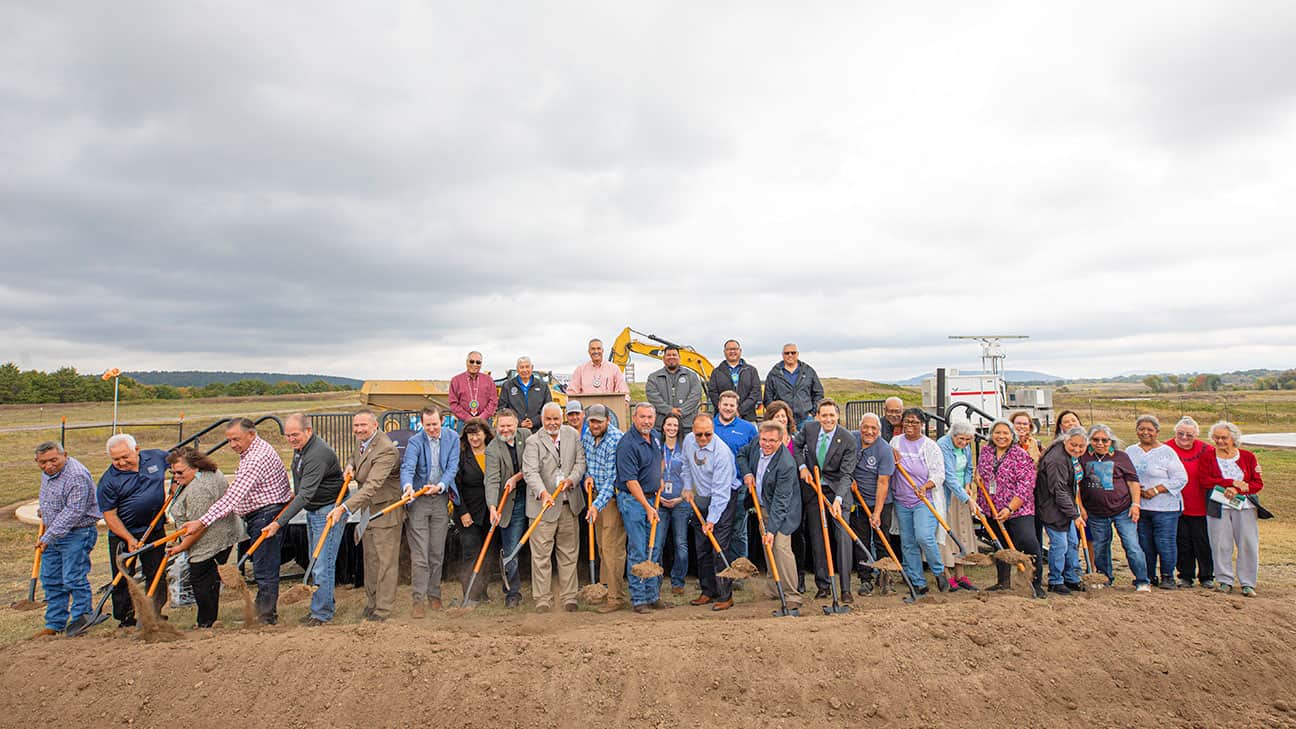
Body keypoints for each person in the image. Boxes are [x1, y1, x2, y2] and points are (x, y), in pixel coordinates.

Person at [179, 418, 293, 624]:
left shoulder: (256, 458)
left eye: (236, 439)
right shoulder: (251, 451)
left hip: (266, 514)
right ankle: (263, 613)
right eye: (229, 440)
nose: (232, 445)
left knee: (264, 567)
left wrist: (200, 522)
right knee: (261, 566)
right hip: (262, 512)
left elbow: (231, 499)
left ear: (251, 434)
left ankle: (266, 617)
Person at [260, 413, 346, 625]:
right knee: (316, 560)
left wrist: (279, 522)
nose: (291, 439)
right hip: (313, 510)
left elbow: (306, 493)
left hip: (328, 511)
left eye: (295, 434)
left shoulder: (317, 453)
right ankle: (323, 606)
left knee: (321, 564)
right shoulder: (301, 450)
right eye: (287, 435)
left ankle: (322, 614)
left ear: (309, 430)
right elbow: (301, 486)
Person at [327, 410, 402, 621]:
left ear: (375, 425)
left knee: (385, 562)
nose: (359, 429)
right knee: (370, 560)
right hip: (368, 511)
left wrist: (343, 508)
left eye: (363, 425)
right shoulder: (364, 442)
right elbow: (357, 455)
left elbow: (371, 486)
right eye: (356, 425)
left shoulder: (386, 450)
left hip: (385, 512)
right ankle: (372, 603)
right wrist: (351, 463)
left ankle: (383, 609)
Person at [165, 447, 244, 629]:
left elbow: (199, 528)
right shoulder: (210, 472)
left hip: (212, 538)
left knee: (200, 579)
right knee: (208, 580)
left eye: (180, 472)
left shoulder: (198, 491)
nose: (175, 476)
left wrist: (181, 547)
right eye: (172, 472)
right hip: (224, 532)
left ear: (196, 467)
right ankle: (209, 620)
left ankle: (206, 623)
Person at [97, 433, 169, 627]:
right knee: (122, 577)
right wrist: (128, 538)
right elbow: (110, 516)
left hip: (154, 528)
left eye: (125, 457)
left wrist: (180, 476)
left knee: (156, 572)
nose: (121, 462)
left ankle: (154, 613)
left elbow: (179, 462)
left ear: (137, 450)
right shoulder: (108, 481)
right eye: (115, 459)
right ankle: (125, 618)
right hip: (123, 534)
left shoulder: (156, 457)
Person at [522, 401, 587, 612]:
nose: (552, 423)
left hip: (569, 504)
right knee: (541, 556)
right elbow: (530, 472)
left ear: (562, 418)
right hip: (543, 507)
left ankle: (569, 597)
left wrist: (572, 479)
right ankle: (542, 599)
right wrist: (542, 492)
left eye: (556, 419)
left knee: (568, 553)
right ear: (542, 420)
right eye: (548, 419)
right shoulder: (533, 442)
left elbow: (580, 463)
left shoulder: (572, 435)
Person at [793, 398, 859, 599]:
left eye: (832, 415)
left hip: (838, 491)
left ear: (838, 416)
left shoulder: (847, 439)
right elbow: (795, 446)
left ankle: (846, 589)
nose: (828, 419)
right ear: (818, 416)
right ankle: (823, 586)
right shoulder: (810, 429)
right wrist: (802, 467)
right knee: (817, 538)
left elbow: (847, 475)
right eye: (824, 415)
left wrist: (839, 499)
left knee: (842, 538)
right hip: (814, 490)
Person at [32, 441, 100, 637]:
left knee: (73, 578)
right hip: (53, 532)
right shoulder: (48, 473)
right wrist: (44, 511)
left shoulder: (76, 475)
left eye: (54, 460)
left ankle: (81, 620)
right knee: (51, 579)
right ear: (37, 461)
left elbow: (74, 511)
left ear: (65, 455)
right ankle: (54, 623)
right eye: (43, 462)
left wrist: (48, 536)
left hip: (77, 533)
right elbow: (52, 497)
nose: (49, 466)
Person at [400, 406, 460, 615]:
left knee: (436, 552)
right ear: (422, 424)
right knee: (420, 555)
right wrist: (407, 486)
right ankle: (418, 600)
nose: (432, 429)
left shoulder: (453, 438)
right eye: (428, 425)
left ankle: (434, 596)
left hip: (441, 499)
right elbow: (407, 467)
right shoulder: (416, 441)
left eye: (435, 424)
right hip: (419, 501)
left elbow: (452, 468)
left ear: (441, 421)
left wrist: (441, 486)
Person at [1078, 424, 1150, 592]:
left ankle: (1142, 580)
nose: (1100, 443)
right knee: (1100, 546)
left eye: (1104, 440)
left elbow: (1133, 481)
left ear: (1111, 441)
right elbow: (1077, 485)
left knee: (1132, 545)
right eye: (1096, 440)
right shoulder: (1083, 458)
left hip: (1123, 510)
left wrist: (1136, 504)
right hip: (1095, 512)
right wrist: (1081, 507)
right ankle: (1105, 578)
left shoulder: (1121, 457)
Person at [976, 419, 1044, 597]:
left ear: (1012, 435)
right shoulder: (986, 451)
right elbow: (982, 475)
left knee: (1027, 542)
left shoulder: (1020, 454)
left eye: (1005, 433)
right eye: (997, 433)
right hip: (993, 510)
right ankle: (1003, 582)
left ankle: (1034, 582)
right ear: (991, 435)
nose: (1001, 436)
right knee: (1000, 545)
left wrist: (1010, 508)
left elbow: (1026, 485)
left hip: (1018, 510)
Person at [680, 413, 737, 611]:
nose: (703, 438)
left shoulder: (721, 453)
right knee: (702, 546)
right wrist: (687, 486)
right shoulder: (688, 441)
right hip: (701, 498)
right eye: (699, 435)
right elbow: (685, 465)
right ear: (692, 432)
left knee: (718, 546)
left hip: (724, 499)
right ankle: (708, 591)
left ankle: (725, 595)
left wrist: (711, 520)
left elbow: (721, 492)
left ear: (713, 431)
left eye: (707, 434)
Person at [616, 402, 668, 613]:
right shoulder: (627, 444)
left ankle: (653, 595)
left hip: (652, 499)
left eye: (650, 417)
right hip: (634, 502)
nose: (647, 421)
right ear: (634, 418)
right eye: (642, 417)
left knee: (653, 549)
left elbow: (660, 459)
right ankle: (639, 599)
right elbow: (630, 481)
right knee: (638, 550)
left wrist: (659, 478)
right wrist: (647, 507)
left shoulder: (655, 436)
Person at [744, 420, 802, 609]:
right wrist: (747, 473)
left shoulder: (786, 464)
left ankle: (792, 594)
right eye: (764, 439)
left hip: (784, 511)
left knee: (780, 547)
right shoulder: (755, 444)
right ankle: (773, 589)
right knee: (767, 547)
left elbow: (781, 502)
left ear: (781, 441)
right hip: (763, 506)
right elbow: (741, 455)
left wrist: (771, 530)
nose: (766, 444)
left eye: (771, 441)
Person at [888, 409, 947, 595]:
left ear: (922, 424)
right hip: (901, 500)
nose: (910, 425)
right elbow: (889, 465)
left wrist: (926, 486)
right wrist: (892, 458)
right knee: (908, 542)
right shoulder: (895, 442)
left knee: (924, 537)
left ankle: (939, 571)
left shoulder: (930, 446)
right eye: (907, 421)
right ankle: (917, 581)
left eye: (914, 422)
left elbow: (939, 475)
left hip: (923, 499)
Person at [1126, 415, 1188, 589]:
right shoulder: (1131, 451)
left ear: (1157, 432)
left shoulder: (1167, 452)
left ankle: (1168, 576)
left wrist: (1156, 489)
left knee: (1164, 542)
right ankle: (1148, 574)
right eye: (1141, 429)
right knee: (1144, 543)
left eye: (1150, 430)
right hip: (1141, 506)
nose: (1145, 433)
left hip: (1165, 507)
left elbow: (1180, 478)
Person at [1207, 421, 1266, 597]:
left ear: (1233, 438)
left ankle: (1248, 583)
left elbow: (1257, 483)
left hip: (1245, 506)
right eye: (1216, 437)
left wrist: (1238, 489)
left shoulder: (1248, 457)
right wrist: (1230, 484)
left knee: (1248, 543)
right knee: (1220, 544)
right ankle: (1224, 580)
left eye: (1223, 437)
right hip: (1218, 506)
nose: (1219, 441)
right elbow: (1205, 480)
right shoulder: (1209, 457)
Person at [581, 404, 628, 612]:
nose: (595, 424)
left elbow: (612, 479)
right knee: (601, 546)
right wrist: (586, 477)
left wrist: (596, 505)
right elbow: (587, 465)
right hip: (596, 497)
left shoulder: (615, 440)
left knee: (612, 548)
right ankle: (604, 590)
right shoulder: (587, 438)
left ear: (608, 420)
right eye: (592, 421)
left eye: (599, 421)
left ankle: (616, 597)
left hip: (611, 499)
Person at [1166, 416, 1222, 588]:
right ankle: (1185, 575)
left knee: (1203, 542)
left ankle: (1206, 576)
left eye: (1189, 435)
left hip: (1201, 504)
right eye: (1180, 433)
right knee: (1182, 542)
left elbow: (1225, 465)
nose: (1184, 438)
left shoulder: (1207, 450)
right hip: (1176, 504)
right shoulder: (1166, 448)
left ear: (1196, 435)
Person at [485, 408, 530, 608]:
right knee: (511, 549)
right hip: (509, 502)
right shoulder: (492, 449)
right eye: (501, 426)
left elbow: (533, 464)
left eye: (509, 425)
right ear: (496, 427)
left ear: (517, 424)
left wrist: (516, 477)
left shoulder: (527, 436)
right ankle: (513, 591)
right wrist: (493, 507)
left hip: (533, 496)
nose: (505, 429)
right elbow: (492, 480)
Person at [1034, 427, 1087, 594]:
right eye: (1074, 445)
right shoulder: (1057, 460)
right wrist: (1075, 515)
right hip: (1052, 508)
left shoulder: (1068, 456)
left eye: (1081, 446)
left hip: (1065, 507)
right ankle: (1055, 580)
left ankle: (1071, 577)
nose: (1077, 449)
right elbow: (1059, 490)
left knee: (1072, 543)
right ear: (1065, 441)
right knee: (1060, 544)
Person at [848, 413, 895, 595]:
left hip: (880, 502)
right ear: (860, 428)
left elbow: (883, 483)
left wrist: (877, 512)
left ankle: (885, 577)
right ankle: (865, 579)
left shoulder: (884, 450)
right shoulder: (851, 439)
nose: (869, 431)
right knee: (862, 542)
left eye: (873, 428)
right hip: (858, 502)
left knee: (882, 540)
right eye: (865, 427)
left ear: (879, 431)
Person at [713, 391, 758, 561]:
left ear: (737, 407)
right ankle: (719, 567)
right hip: (715, 487)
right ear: (719, 405)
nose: (728, 408)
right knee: (717, 527)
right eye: (725, 404)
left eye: (732, 405)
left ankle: (740, 569)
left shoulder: (747, 428)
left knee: (738, 530)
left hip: (739, 486)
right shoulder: (710, 426)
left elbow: (755, 455)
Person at [936, 420, 979, 592]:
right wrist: (967, 498)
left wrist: (968, 485)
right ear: (953, 435)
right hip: (947, 495)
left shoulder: (966, 446)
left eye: (967, 440)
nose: (964, 443)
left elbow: (969, 467)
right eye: (961, 439)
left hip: (962, 494)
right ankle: (946, 574)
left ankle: (961, 574)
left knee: (962, 533)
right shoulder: (942, 445)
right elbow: (948, 476)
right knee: (946, 534)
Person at [454, 418, 494, 600]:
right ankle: (470, 593)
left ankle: (482, 592)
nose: (474, 438)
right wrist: (462, 511)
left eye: (477, 433)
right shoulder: (461, 455)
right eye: (470, 434)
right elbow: (455, 486)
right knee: (471, 552)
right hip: (469, 512)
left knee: (487, 552)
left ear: (485, 434)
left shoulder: (493, 452)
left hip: (491, 511)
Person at [657, 413, 690, 596]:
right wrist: (658, 496)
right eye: (668, 424)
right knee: (658, 543)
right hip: (660, 502)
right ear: (663, 427)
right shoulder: (656, 448)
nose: (671, 428)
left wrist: (681, 498)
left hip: (680, 502)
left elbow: (690, 475)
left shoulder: (684, 449)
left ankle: (678, 581)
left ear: (679, 428)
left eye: (675, 425)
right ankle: (657, 579)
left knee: (681, 544)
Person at [763, 343, 824, 423]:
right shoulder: (774, 374)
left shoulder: (808, 371)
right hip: (783, 420)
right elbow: (768, 397)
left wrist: (812, 413)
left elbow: (818, 393)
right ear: (782, 355)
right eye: (787, 353)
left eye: (793, 353)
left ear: (797, 354)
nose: (790, 355)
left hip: (806, 419)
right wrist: (775, 415)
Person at [646, 346, 704, 430]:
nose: (671, 357)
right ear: (663, 358)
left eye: (674, 355)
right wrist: (670, 411)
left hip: (687, 426)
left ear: (679, 358)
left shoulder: (692, 376)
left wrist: (681, 412)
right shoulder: (653, 377)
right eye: (668, 355)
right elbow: (653, 398)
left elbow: (695, 396)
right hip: (662, 427)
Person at [706, 339, 762, 421]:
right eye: (729, 349)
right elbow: (713, 393)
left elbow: (755, 392)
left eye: (735, 349)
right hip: (723, 418)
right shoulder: (716, 372)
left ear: (740, 351)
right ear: (724, 352)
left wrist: (739, 410)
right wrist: (726, 410)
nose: (732, 351)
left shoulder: (751, 370)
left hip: (748, 418)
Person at [499, 356, 551, 432]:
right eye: (521, 367)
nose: (524, 370)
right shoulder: (507, 386)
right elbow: (502, 409)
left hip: (538, 430)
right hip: (515, 430)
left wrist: (534, 421)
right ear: (517, 369)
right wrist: (519, 422)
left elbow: (548, 408)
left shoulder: (543, 386)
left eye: (527, 367)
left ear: (532, 367)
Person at [448, 351, 498, 423]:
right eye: (471, 361)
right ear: (466, 362)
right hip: (463, 422)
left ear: (481, 364)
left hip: (485, 421)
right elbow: (453, 403)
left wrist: (482, 417)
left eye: (478, 362)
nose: (475, 364)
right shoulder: (456, 380)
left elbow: (493, 401)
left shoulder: (489, 380)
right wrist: (468, 418)